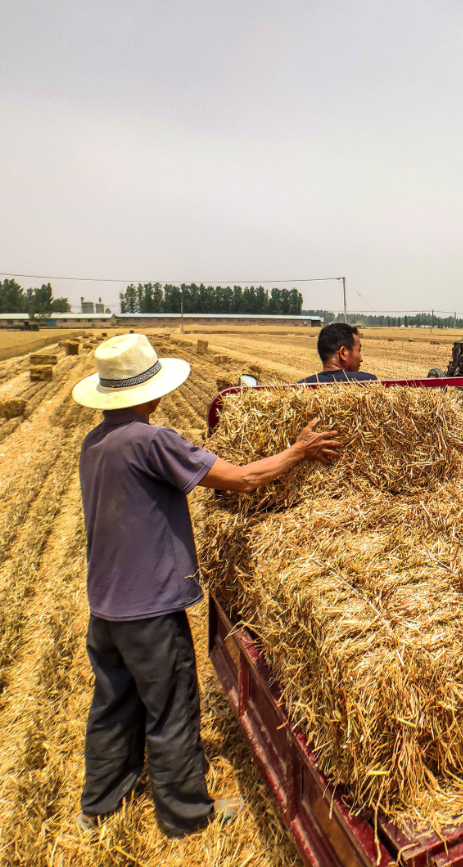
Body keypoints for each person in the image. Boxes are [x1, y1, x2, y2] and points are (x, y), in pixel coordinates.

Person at [71, 333, 340, 839]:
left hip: (105, 608)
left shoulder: (95, 443)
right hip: (150, 609)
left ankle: (99, 805)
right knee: (172, 707)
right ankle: (186, 813)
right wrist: (299, 451)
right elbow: (241, 479)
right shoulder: (152, 440)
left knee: (112, 704)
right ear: (149, 391)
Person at [299, 322, 377, 384]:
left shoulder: (299, 388)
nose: (361, 359)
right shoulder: (367, 383)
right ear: (343, 353)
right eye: (358, 350)